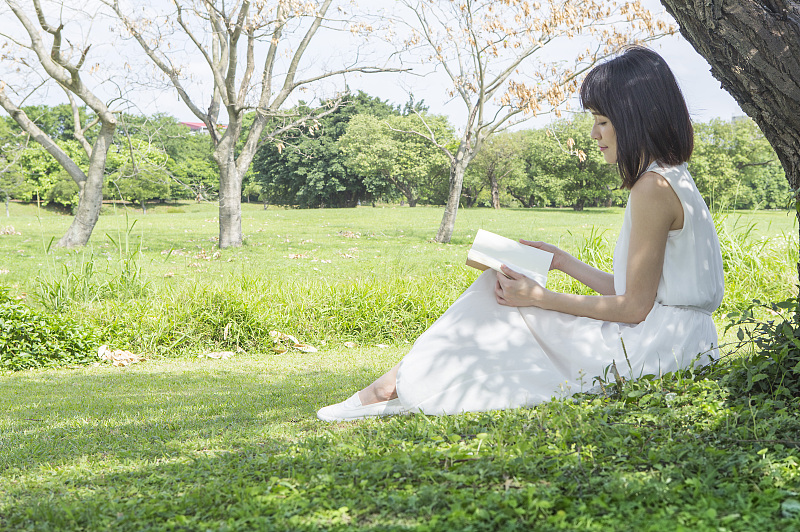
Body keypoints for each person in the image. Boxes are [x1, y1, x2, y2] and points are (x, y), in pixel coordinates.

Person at [317, 46, 724, 422]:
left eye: (602, 121)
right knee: (505, 290)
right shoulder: (671, 178)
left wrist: (540, 297)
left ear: (635, 120)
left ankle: (390, 387)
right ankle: (396, 384)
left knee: (501, 296)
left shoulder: (651, 189)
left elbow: (634, 307)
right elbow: (640, 293)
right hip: (678, 341)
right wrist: (564, 262)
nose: (594, 135)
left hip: (656, 348)